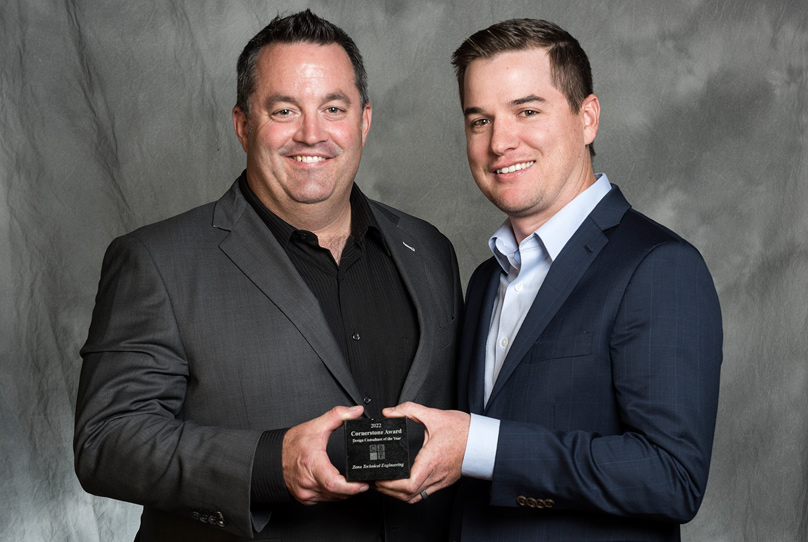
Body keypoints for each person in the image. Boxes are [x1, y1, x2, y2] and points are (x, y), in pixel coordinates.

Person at [74, 10, 462, 542]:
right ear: (243, 124)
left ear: (364, 121)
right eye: (284, 110)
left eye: (333, 108)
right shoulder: (155, 261)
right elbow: (105, 441)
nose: (311, 134)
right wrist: (269, 463)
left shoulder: (430, 250)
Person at [376, 18, 723, 541]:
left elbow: (672, 478)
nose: (499, 142)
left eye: (527, 111)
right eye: (480, 120)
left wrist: (479, 445)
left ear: (588, 118)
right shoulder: (485, 279)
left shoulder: (659, 267)